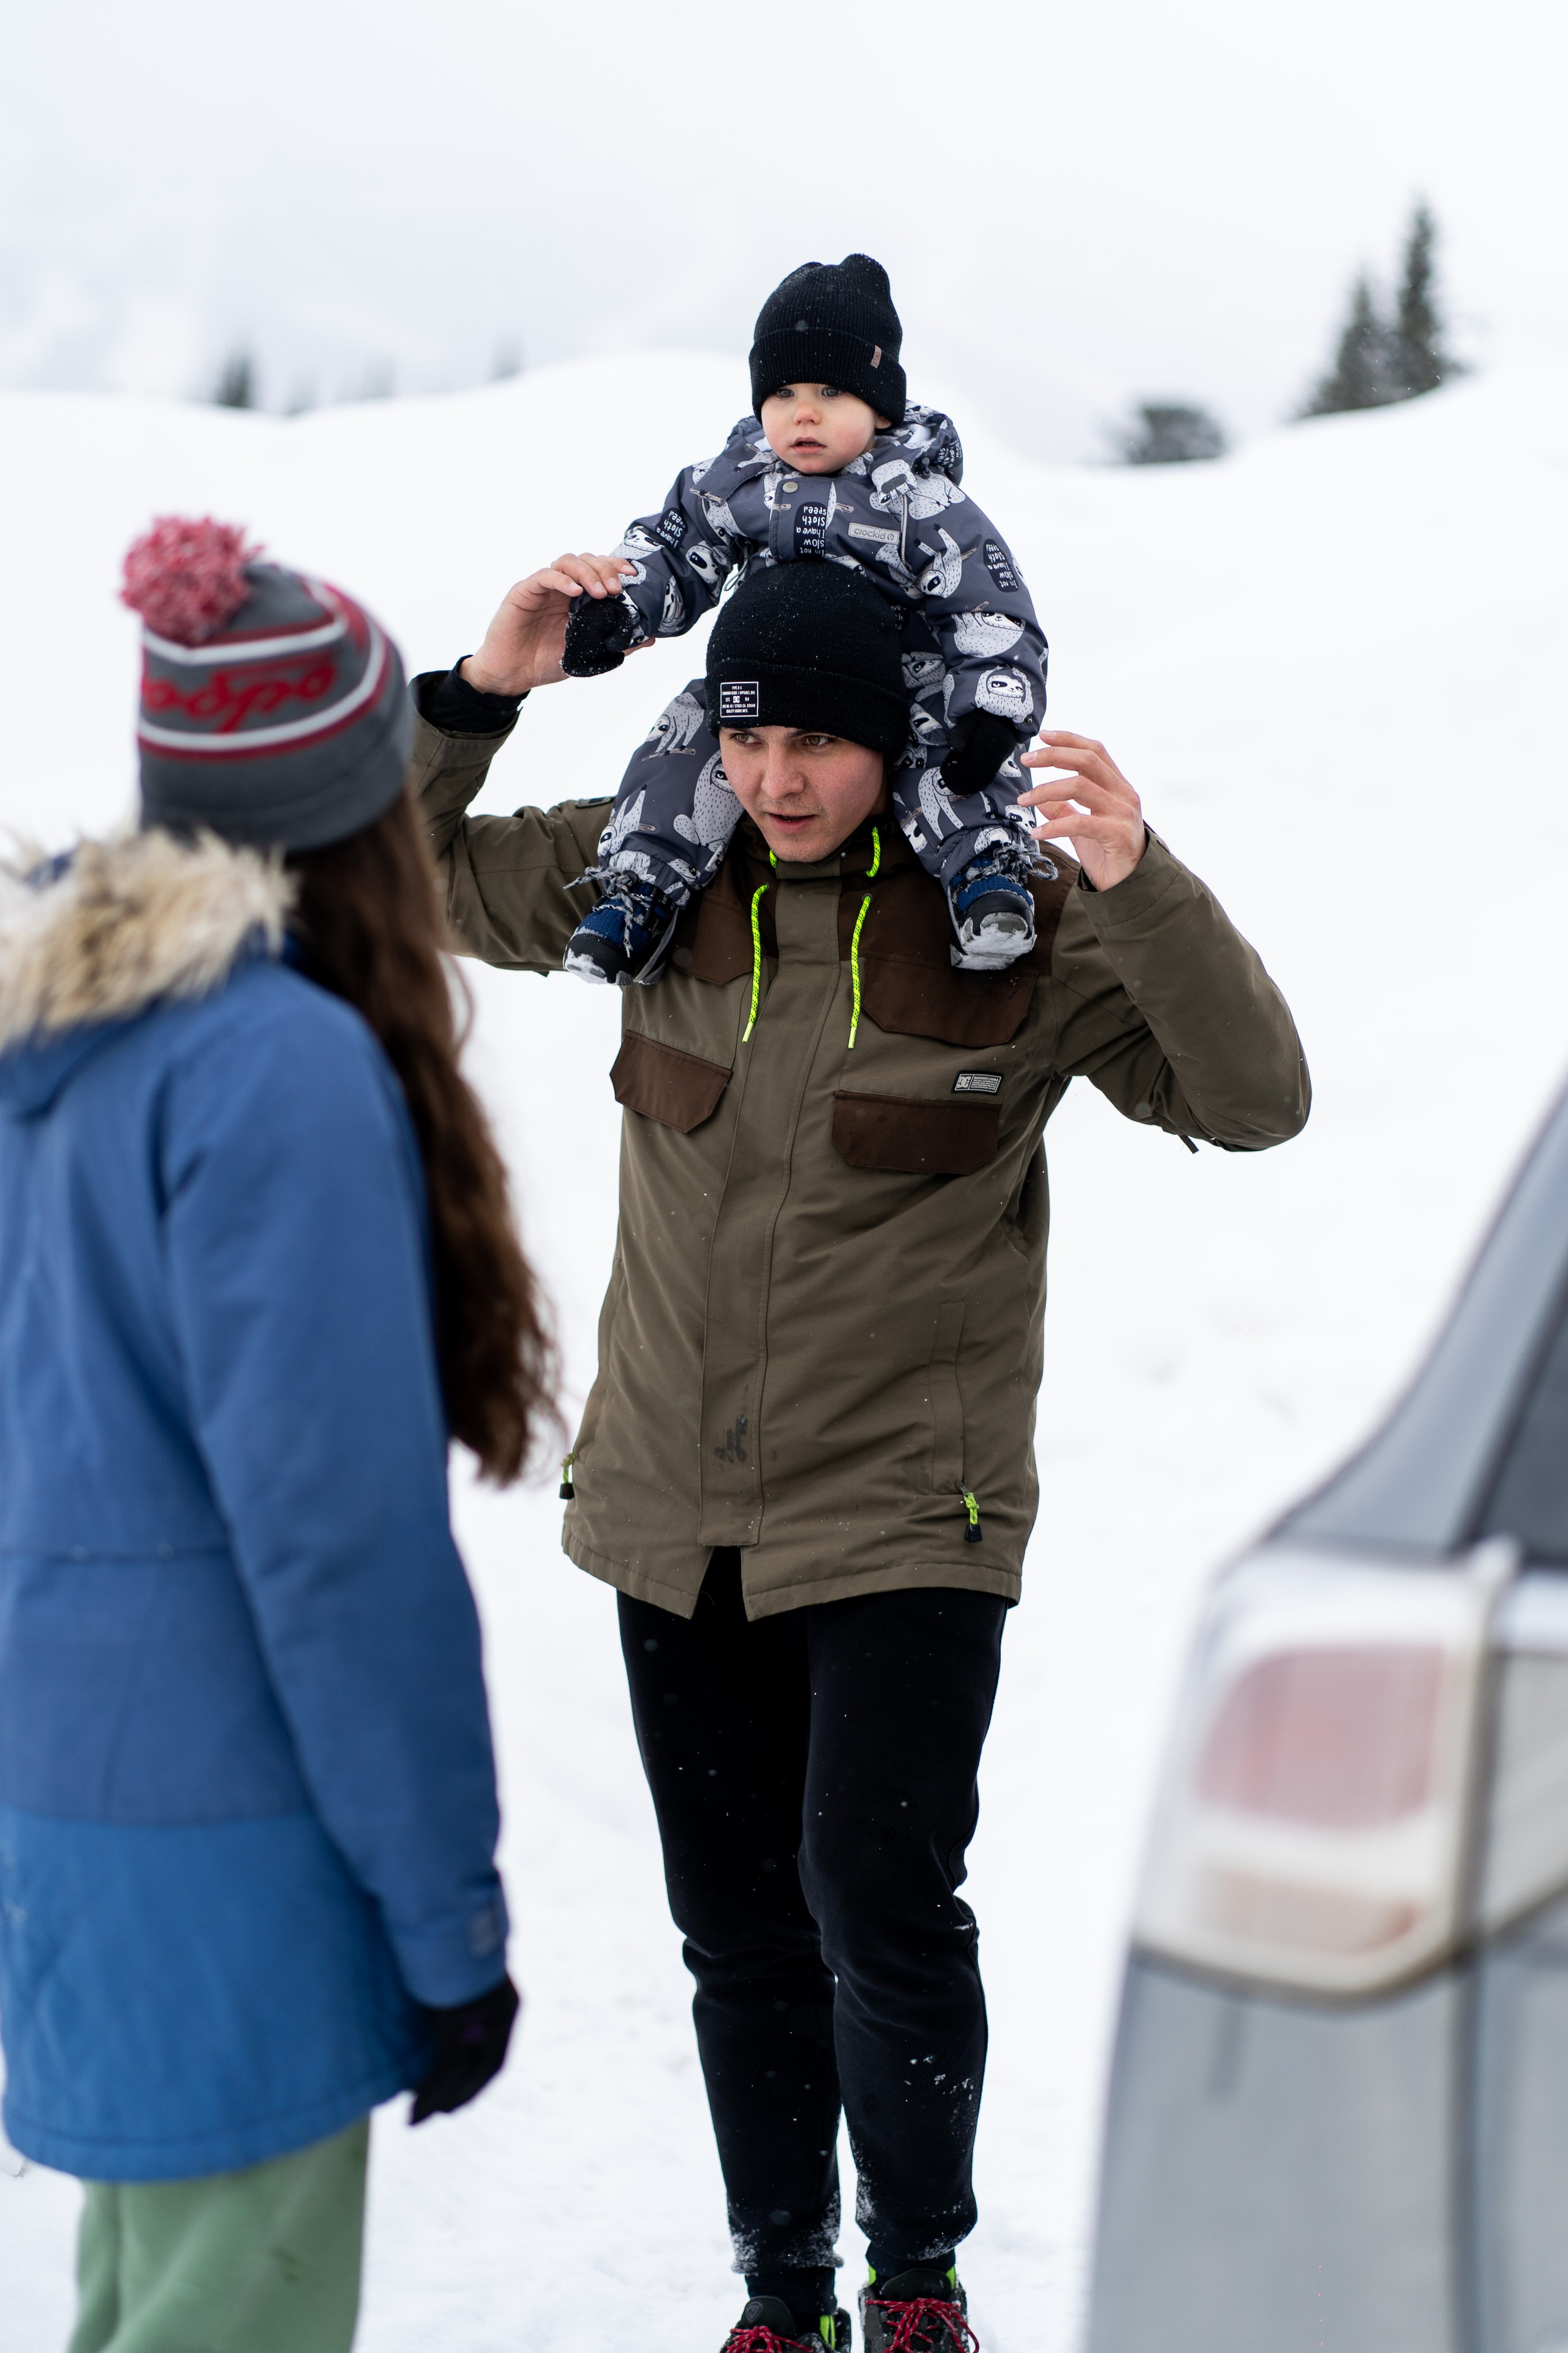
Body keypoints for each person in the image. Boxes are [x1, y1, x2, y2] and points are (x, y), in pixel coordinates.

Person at [410, 551, 1310, 2353]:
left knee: (876, 1897)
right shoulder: (651, 865)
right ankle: (779, 2290)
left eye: (818, 742)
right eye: (749, 739)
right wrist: (479, 694)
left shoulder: (1010, 911)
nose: (777, 778)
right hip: (672, 1505)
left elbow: (1251, 1098)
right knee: (737, 1924)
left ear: (893, 737)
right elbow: (397, 876)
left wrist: (1139, 883)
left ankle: (914, 2282)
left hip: (909, 1507)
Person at [0, 516, 549, 2353]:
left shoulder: (62, 1042)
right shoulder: (273, 1065)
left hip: (74, 1815)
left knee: (147, 2303)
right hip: (234, 1833)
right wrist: (448, 1924)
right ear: (357, 807)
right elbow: (336, 1547)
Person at [556, 254, 1049, 985]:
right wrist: (619, 607)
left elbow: (986, 603)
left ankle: (986, 878)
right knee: (689, 741)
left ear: (881, 407)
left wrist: (992, 705)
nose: (803, 412)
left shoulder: (919, 500)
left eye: (830, 391)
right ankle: (639, 892)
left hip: (897, 684)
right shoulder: (735, 479)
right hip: (765, 677)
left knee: (950, 755)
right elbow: (673, 548)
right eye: (782, 392)